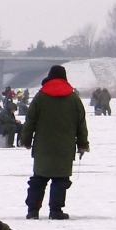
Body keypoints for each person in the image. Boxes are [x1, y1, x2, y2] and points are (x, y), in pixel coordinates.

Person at [21, 65, 89, 220]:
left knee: (39, 179)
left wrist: (26, 140)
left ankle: (33, 211)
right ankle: (56, 211)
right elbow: (81, 124)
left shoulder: (40, 97)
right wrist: (83, 144)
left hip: (43, 147)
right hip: (65, 147)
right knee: (60, 180)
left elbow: (30, 120)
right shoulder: (73, 99)